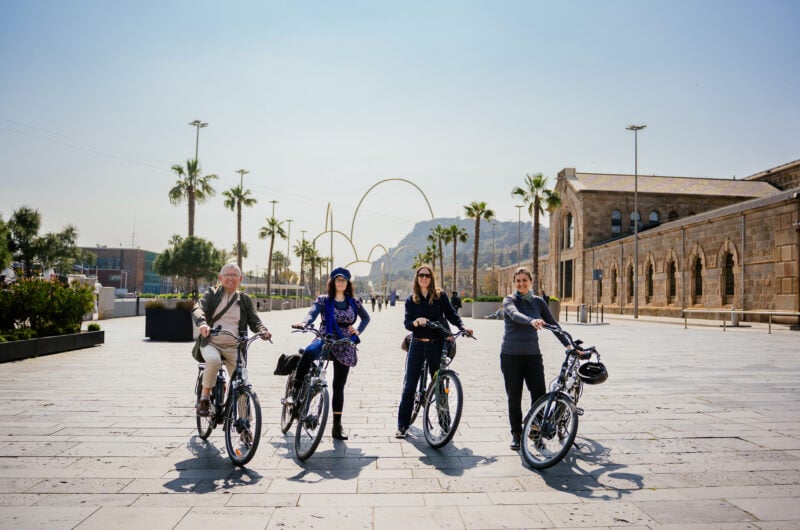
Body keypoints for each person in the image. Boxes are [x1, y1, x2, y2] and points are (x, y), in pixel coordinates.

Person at [291, 267, 370, 440]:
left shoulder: (354, 302)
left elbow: (366, 318)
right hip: (325, 337)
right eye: (337, 280)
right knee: (309, 352)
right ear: (333, 282)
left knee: (339, 386)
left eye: (344, 280)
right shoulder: (323, 300)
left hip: (345, 342)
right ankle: (295, 391)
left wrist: (358, 330)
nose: (340, 282)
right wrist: (304, 323)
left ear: (347, 283)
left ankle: (337, 425)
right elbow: (312, 313)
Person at [395, 265, 473, 438]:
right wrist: (416, 323)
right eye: (421, 275)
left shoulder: (440, 296)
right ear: (417, 278)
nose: (424, 278)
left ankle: (445, 424)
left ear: (431, 278)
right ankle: (402, 425)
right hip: (417, 345)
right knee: (410, 386)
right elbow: (407, 323)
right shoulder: (411, 300)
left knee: (439, 385)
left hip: (435, 346)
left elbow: (451, 314)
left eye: (427, 275)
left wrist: (462, 327)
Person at [500, 267, 570, 451]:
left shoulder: (538, 302)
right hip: (511, 355)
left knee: (539, 395)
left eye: (525, 280)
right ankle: (516, 434)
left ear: (531, 282)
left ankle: (535, 431)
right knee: (514, 397)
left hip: (533, 356)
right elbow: (514, 314)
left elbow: (553, 324)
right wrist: (531, 321)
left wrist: (569, 345)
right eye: (518, 280)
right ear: (514, 283)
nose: (521, 283)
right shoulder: (509, 300)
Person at [192, 263, 272, 417]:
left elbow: (254, 320)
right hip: (211, 343)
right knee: (214, 361)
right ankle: (205, 398)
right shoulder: (212, 294)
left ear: (240, 279)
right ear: (220, 278)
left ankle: (244, 421)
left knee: (241, 381)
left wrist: (262, 330)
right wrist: (202, 323)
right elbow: (198, 308)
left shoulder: (245, 299)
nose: (230, 278)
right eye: (227, 275)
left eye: (234, 275)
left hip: (234, 346)